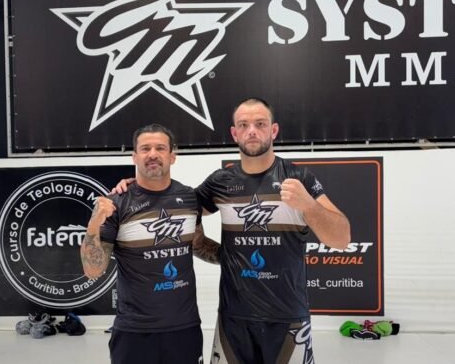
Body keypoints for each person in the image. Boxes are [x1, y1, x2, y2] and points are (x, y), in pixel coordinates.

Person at [114, 98, 351, 364]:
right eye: (244, 125)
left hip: (288, 319)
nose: (252, 131)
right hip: (233, 320)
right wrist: (138, 187)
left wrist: (308, 205)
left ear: (273, 130)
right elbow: (175, 205)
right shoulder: (221, 181)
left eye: (260, 124)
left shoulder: (298, 178)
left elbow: (342, 239)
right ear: (234, 133)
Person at [80, 123, 219, 364]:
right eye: (145, 148)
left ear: (172, 156)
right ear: (134, 156)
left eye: (160, 148)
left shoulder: (188, 198)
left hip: (184, 327)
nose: (152, 154)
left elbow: (197, 244)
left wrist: (238, 255)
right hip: (134, 330)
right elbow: (93, 270)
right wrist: (94, 223)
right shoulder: (116, 203)